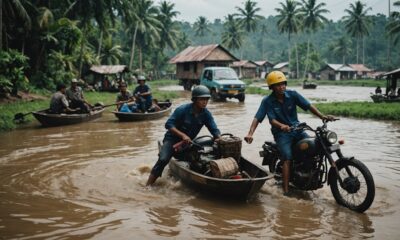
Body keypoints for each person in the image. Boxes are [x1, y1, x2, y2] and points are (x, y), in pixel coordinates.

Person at [244, 71, 334, 196]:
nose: (282, 87)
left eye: (283, 84)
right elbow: (264, 118)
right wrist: (250, 133)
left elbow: (308, 106)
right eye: (278, 85)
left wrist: (322, 116)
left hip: (298, 130)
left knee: (312, 147)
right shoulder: (268, 101)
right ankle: (286, 191)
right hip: (282, 134)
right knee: (287, 157)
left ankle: (308, 173)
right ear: (272, 87)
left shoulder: (293, 95)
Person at [146, 85, 221, 186]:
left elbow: (214, 130)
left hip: (188, 142)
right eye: (201, 99)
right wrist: (182, 135)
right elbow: (168, 124)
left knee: (205, 152)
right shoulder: (182, 110)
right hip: (172, 140)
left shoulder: (206, 114)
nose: (205, 102)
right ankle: (148, 185)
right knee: (163, 159)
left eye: (206, 99)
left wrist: (219, 139)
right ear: (194, 100)